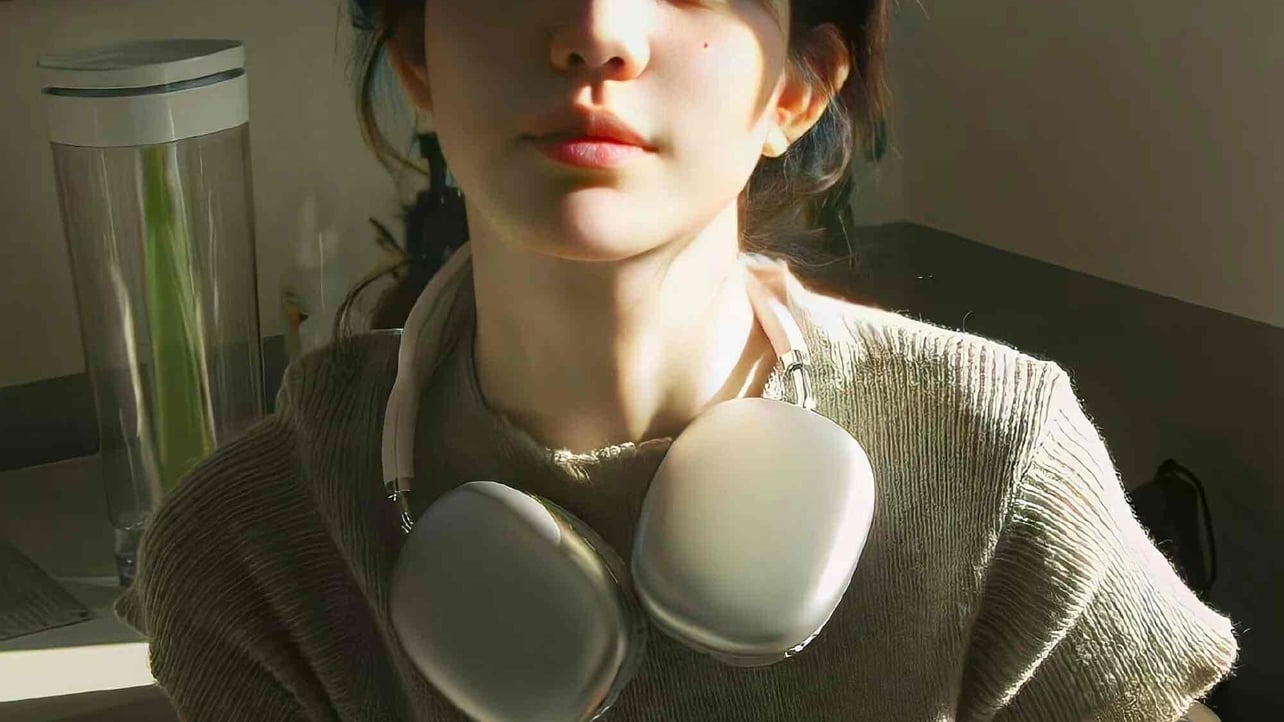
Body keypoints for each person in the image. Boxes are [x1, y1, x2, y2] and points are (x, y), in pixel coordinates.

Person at [115, 0, 1240, 720]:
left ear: (796, 90)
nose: (597, 29)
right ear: (419, 56)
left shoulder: (996, 462)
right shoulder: (251, 557)